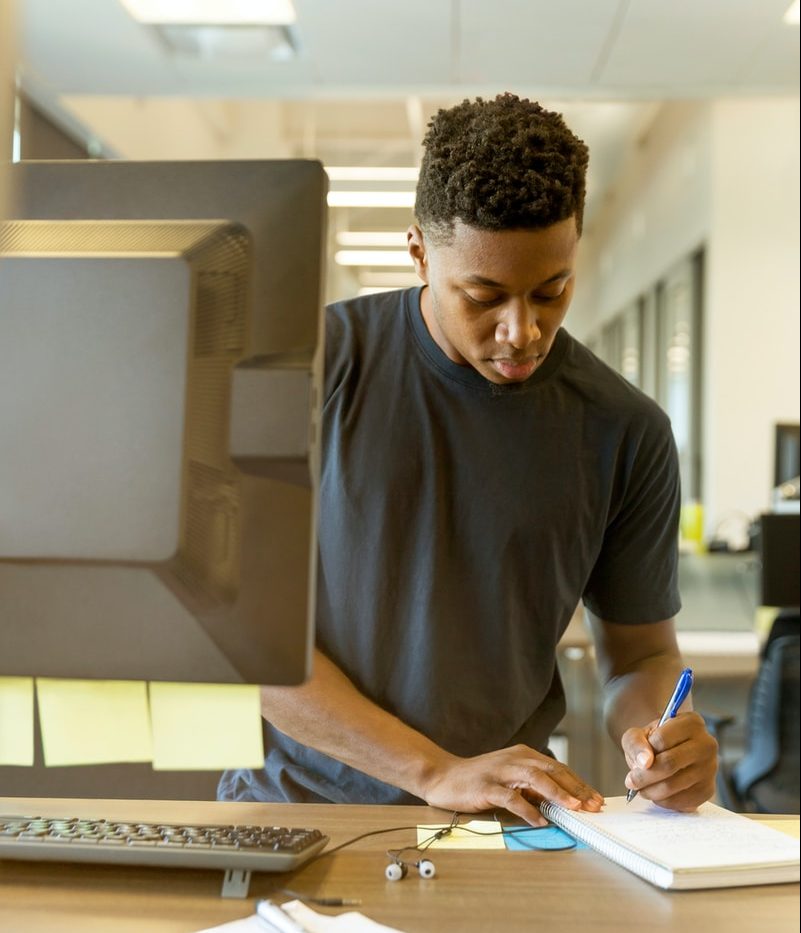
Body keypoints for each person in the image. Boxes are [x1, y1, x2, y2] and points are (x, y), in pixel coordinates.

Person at [218, 93, 717, 825]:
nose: (522, 330)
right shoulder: (308, 371)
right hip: (296, 811)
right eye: (483, 295)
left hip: (500, 821)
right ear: (418, 250)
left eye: (551, 291)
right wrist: (430, 769)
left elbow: (640, 657)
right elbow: (241, 635)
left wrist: (661, 741)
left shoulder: (623, 429)